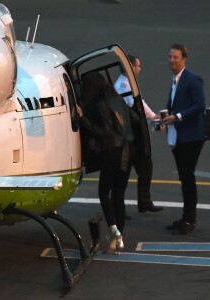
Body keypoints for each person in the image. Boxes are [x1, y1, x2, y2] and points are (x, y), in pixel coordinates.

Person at [77, 72, 135, 254]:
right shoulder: (116, 99)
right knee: (119, 195)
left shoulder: (99, 103)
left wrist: (83, 119)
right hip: (128, 151)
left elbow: (104, 131)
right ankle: (119, 238)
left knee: (104, 192)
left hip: (112, 153)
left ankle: (114, 230)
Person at [163, 43, 206, 234]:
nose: (172, 60)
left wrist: (178, 116)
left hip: (191, 137)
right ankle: (186, 217)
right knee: (184, 177)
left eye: (175, 57)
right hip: (179, 136)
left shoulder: (193, 79)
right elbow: (173, 105)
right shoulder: (175, 79)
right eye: (170, 57)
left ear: (184, 59)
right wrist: (163, 118)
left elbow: (200, 106)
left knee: (187, 177)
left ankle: (190, 219)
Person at [114, 54, 163, 213]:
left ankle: (143, 202)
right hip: (129, 138)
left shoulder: (127, 83)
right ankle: (121, 207)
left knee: (141, 169)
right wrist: (153, 118)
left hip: (132, 136)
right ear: (130, 67)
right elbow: (137, 105)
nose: (140, 69)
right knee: (128, 172)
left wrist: (152, 118)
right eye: (138, 66)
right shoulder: (124, 86)